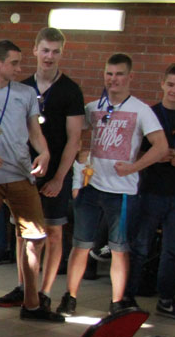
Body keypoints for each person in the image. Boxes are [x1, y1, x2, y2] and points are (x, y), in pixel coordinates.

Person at [57, 54, 168, 316]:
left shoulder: (141, 110)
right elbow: (73, 134)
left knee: (119, 248)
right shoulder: (93, 107)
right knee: (81, 244)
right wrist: (78, 156)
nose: (113, 79)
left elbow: (161, 147)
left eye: (119, 74)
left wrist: (134, 167)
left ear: (130, 77)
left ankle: (117, 301)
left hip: (122, 191)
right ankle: (70, 296)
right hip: (91, 186)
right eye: (109, 73)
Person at [0, 40, 61, 323]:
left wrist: (44, 152)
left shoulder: (26, 93)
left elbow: (34, 131)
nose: (20, 69)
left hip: (20, 174)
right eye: (14, 63)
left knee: (34, 238)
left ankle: (31, 303)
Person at [0, 27, 84, 310]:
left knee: (53, 232)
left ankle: (44, 291)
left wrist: (59, 178)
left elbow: (74, 140)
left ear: (62, 54)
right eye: (45, 50)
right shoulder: (20, 88)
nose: (49, 56)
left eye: (55, 52)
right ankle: (24, 287)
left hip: (56, 172)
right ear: (35, 50)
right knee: (23, 231)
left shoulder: (70, 91)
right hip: (23, 172)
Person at [125, 63, 175, 320]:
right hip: (150, 191)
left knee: (172, 251)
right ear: (162, 84)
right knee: (140, 247)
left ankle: (166, 300)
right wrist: (155, 156)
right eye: (171, 85)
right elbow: (134, 153)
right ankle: (127, 297)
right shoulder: (149, 114)